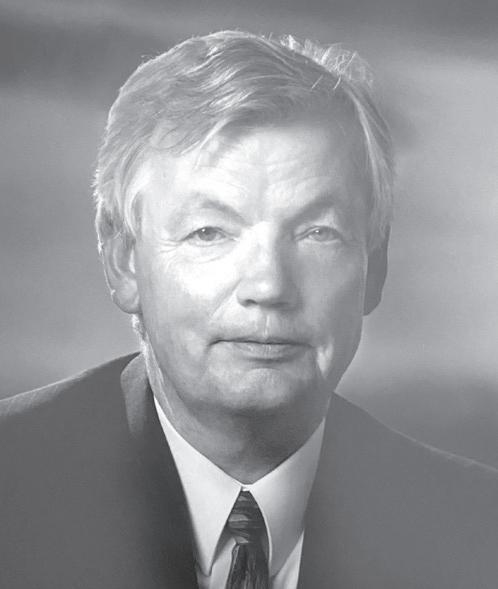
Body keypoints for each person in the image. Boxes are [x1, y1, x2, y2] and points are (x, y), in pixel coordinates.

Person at [1, 30, 497, 589]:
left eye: (317, 232)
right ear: (123, 261)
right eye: (209, 232)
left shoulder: (481, 531)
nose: (269, 285)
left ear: (374, 265)